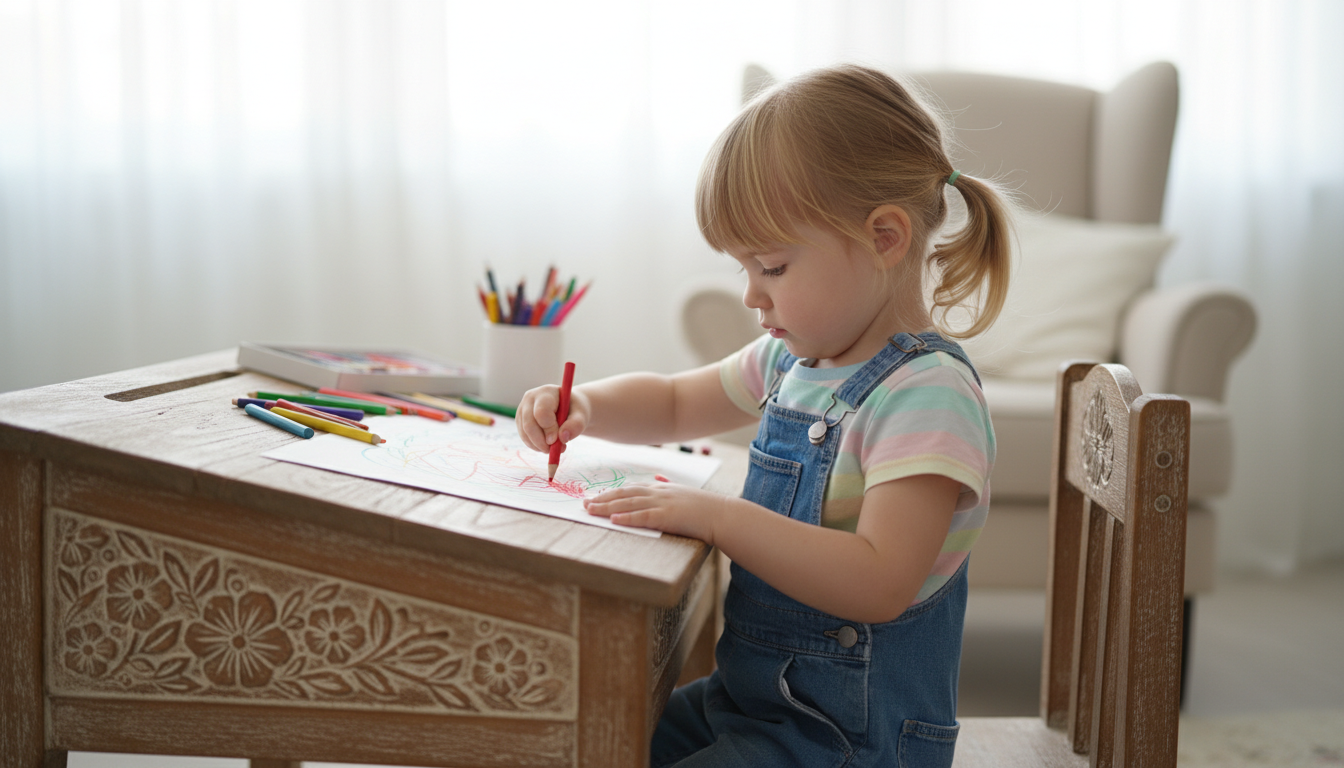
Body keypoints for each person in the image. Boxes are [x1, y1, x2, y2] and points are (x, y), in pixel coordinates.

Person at [515, 64, 1013, 768]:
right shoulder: (796, 362)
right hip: (752, 704)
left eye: (772, 267)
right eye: (742, 268)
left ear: (885, 237)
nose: (752, 294)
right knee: (591, 733)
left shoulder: (925, 396)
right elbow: (676, 399)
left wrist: (718, 517)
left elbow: (879, 580)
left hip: (848, 741)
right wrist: (586, 405)